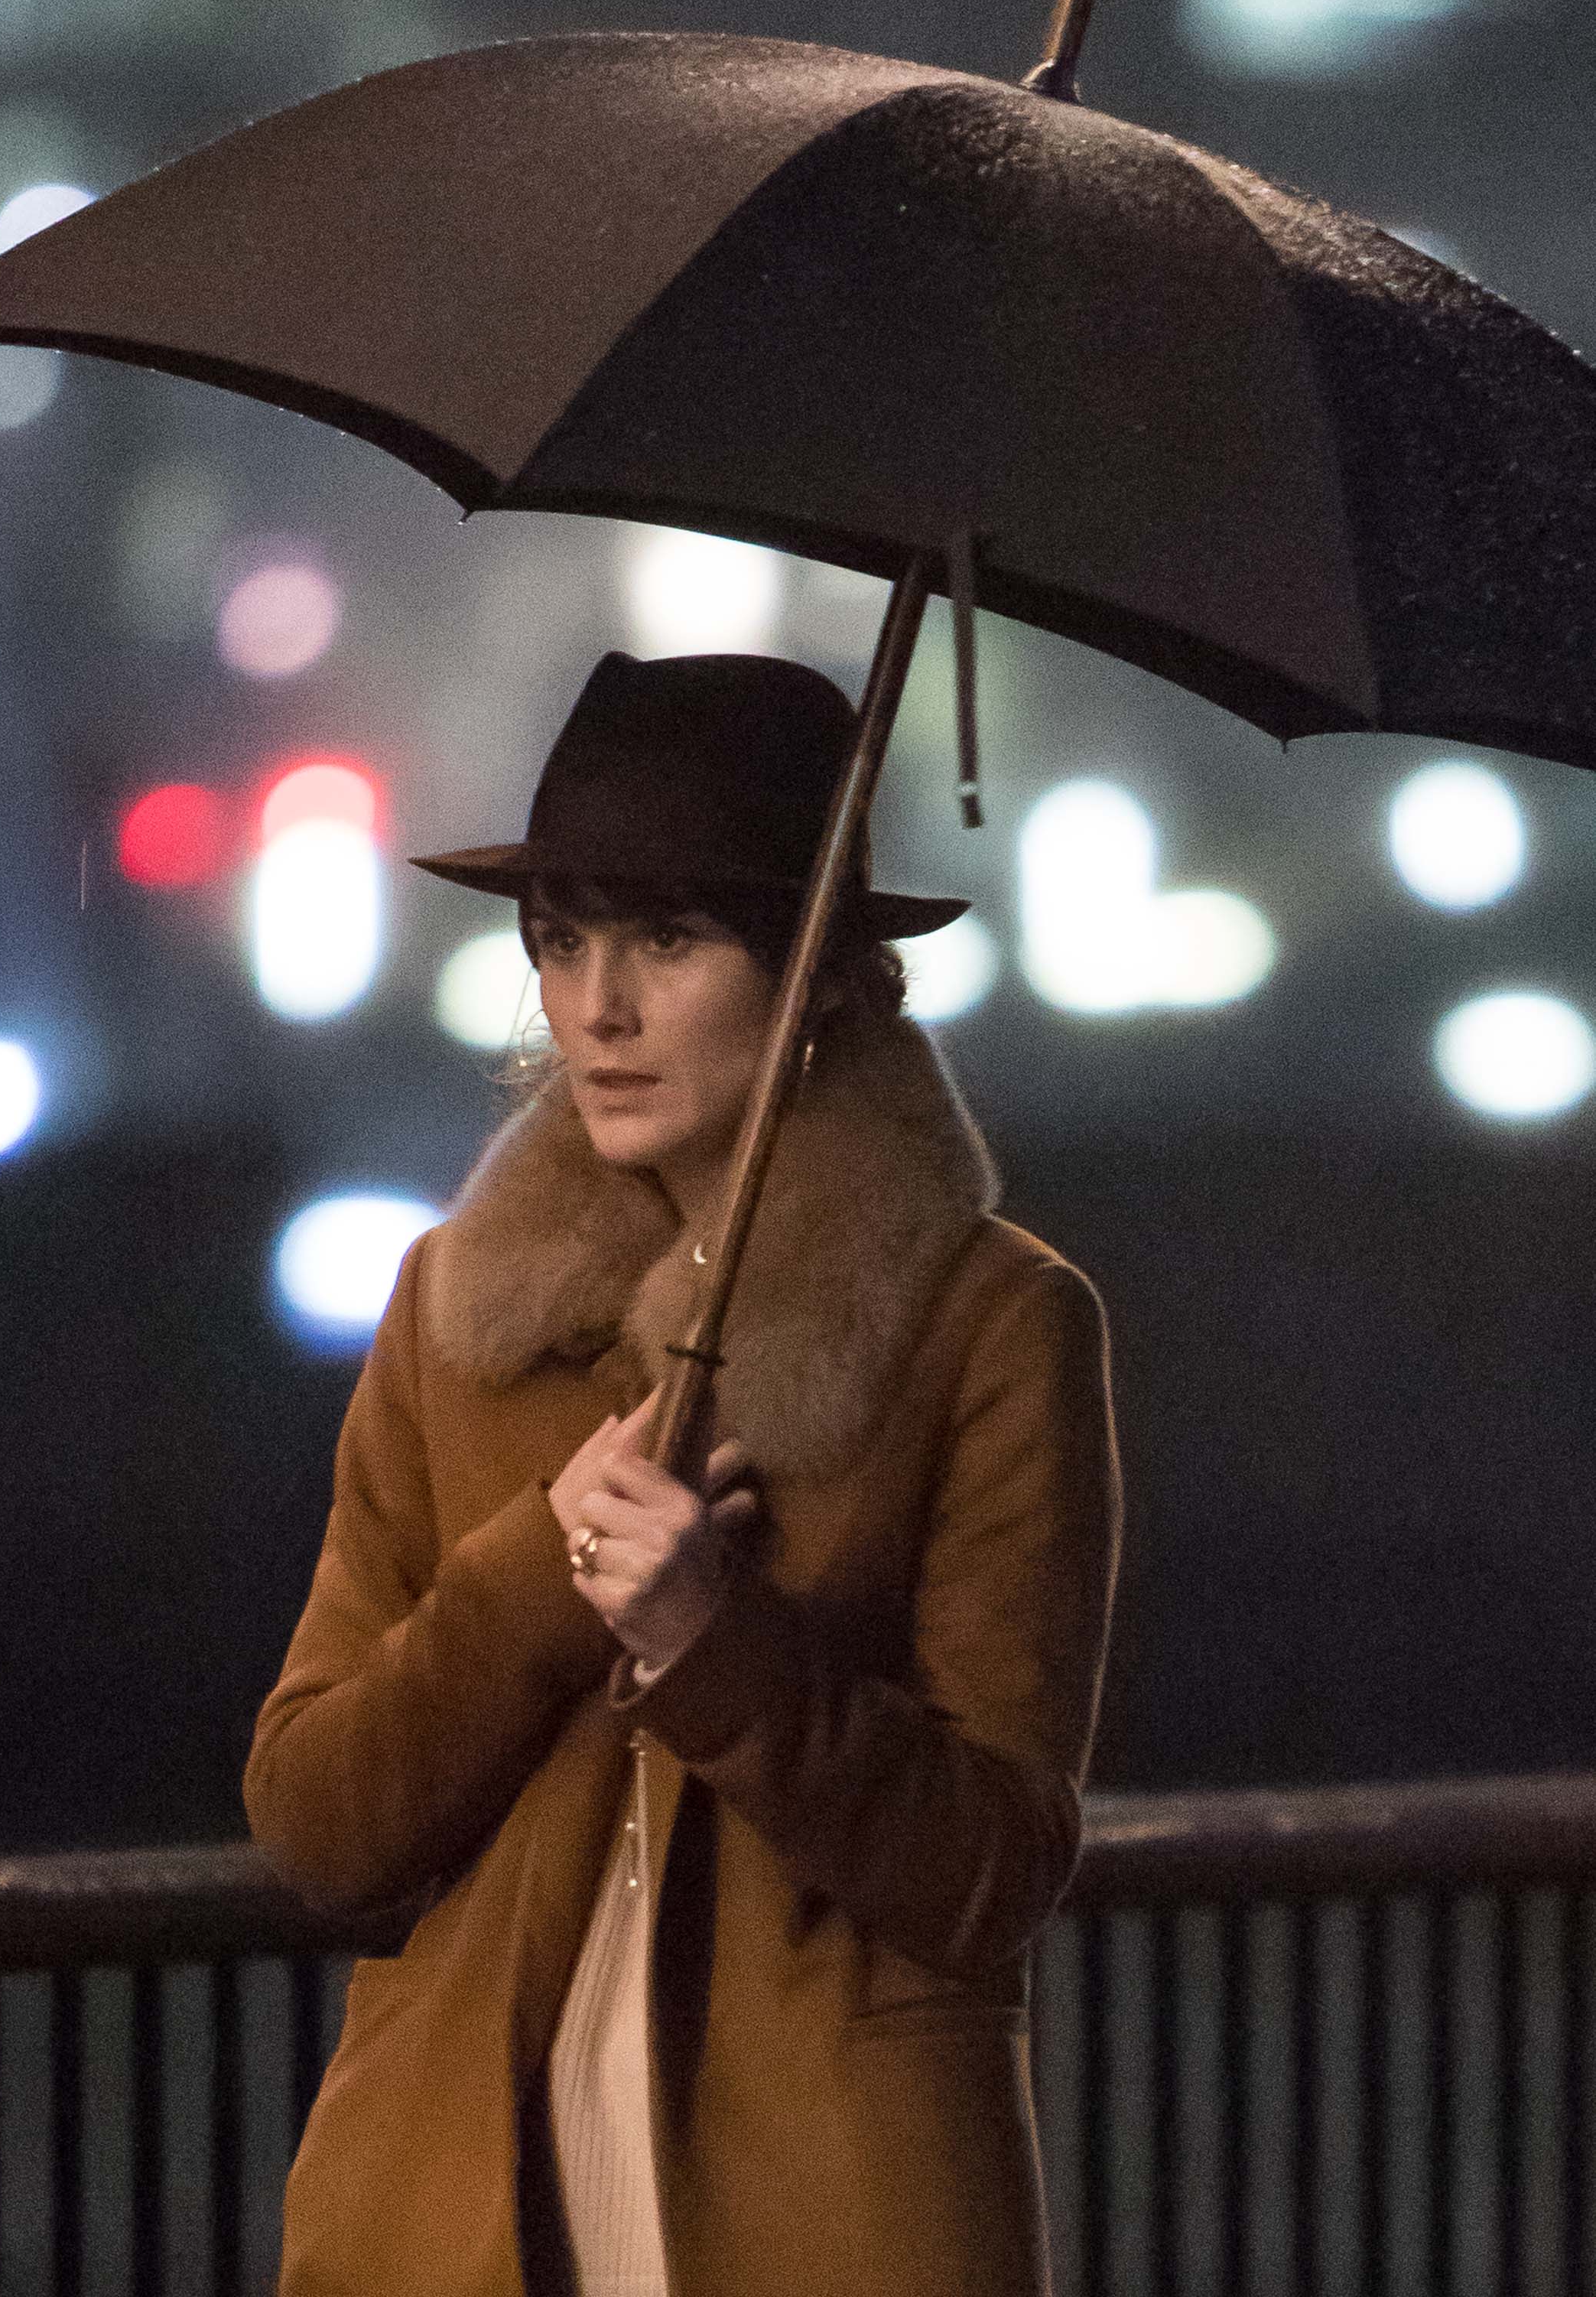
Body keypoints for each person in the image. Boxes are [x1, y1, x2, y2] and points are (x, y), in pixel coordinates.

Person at [244, 648, 1123, 2297]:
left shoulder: (990, 1323)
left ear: (817, 975)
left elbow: (994, 1867)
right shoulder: (456, 1308)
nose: (599, 1004)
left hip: (828, 2218)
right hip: (451, 2218)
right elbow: (314, 1820)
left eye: (669, 936)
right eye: (561, 939)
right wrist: (534, 1576)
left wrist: (714, 1643)